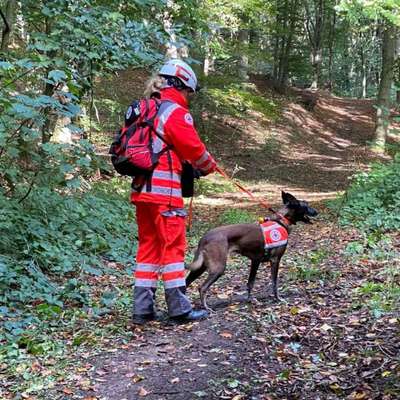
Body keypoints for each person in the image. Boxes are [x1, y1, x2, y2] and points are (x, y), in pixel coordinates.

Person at [131, 59, 217, 325]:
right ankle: (179, 309)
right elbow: (194, 149)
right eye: (189, 92)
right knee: (173, 248)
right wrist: (209, 166)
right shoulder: (174, 112)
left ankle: (142, 310)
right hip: (165, 193)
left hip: (142, 191)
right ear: (181, 85)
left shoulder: (143, 109)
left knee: (148, 249)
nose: (189, 97)